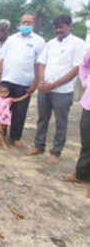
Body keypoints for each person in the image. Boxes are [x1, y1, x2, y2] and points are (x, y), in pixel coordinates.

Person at [25, 14, 87, 164]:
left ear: (69, 26)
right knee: (42, 119)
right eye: (56, 27)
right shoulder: (50, 43)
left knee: (61, 123)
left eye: (61, 27)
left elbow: (76, 69)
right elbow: (41, 63)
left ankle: (56, 152)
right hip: (45, 89)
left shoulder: (78, 44)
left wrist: (53, 85)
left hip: (63, 92)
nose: (58, 30)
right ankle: (39, 146)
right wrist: (41, 81)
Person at [0, 13, 45, 147]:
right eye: (23, 22)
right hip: (7, 80)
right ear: (19, 24)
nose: (25, 25)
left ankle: (15, 137)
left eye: (29, 23)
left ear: (33, 24)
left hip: (25, 83)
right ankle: (0, 134)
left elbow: (39, 64)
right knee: (2, 110)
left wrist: (35, 83)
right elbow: (2, 59)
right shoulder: (11, 39)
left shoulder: (39, 41)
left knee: (20, 112)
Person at [62, 47, 90, 184]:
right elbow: (83, 65)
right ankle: (82, 175)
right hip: (89, 104)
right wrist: (85, 82)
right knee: (87, 142)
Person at [0, 82, 29, 150]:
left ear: (8, 92)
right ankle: (3, 144)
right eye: (2, 92)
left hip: (5, 117)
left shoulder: (9, 100)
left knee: (3, 129)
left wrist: (27, 95)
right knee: (0, 130)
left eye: (5, 92)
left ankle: (0, 140)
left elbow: (18, 99)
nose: (4, 94)